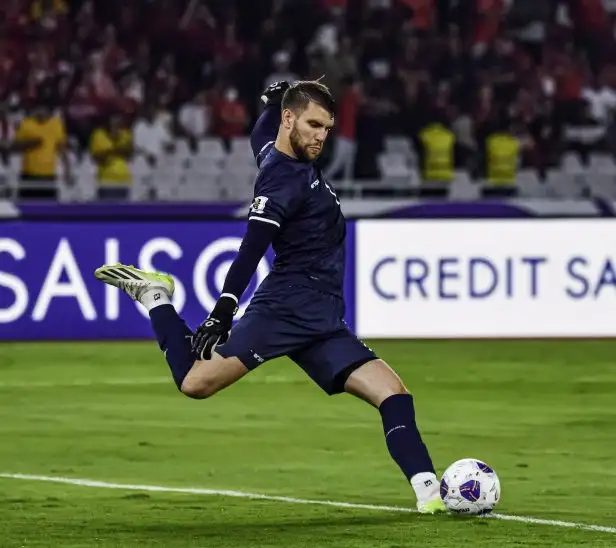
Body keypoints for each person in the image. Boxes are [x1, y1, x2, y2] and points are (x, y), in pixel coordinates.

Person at [94, 80, 446, 514]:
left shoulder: (278, 150)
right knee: (195, 383)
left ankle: (430, 493)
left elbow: (259, 134)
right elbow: (252, 247)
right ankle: (155, 298)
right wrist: (223, 309)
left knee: (393, 393)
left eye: (327, 128)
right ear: (290, 119)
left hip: (322, 319)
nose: (321, 135)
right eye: (314, 124)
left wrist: (268, 101)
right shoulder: (281, 178)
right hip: (285, 309)